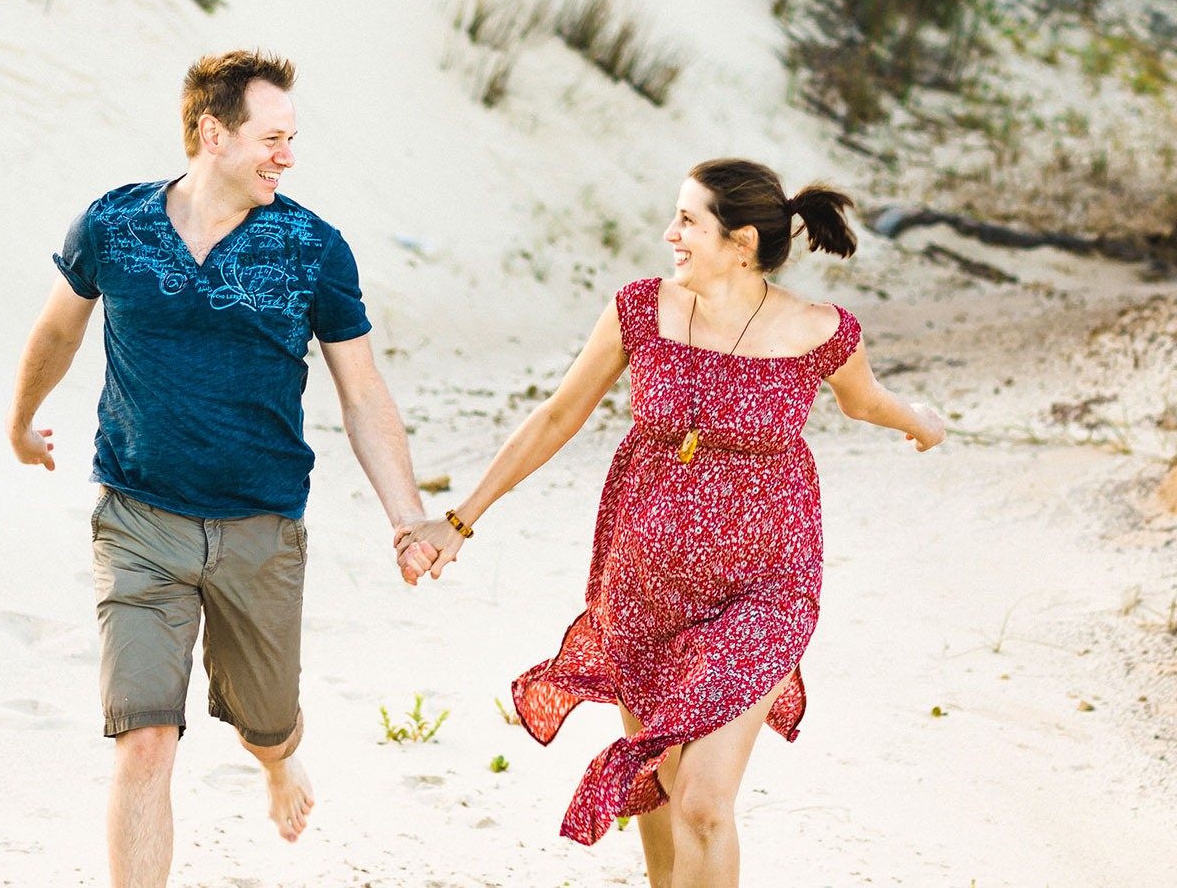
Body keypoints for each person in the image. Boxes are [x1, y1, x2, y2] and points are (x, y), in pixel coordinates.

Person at [395, 158, 945, 887]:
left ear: (741, 240)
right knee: (658, 796)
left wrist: (922, 421)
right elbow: (558, 414)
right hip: (644, 592)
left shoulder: (819, 331)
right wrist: (458, 521)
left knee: (705, 802)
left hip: (765, 590)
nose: (669, 233)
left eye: (688, 220)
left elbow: (866, 400)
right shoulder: (639, 309)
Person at [6, 50, 429, 888]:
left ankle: (277, 761)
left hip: (259, 527)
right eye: (272, 136)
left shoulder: (313, 247)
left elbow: (363, 390)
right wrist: (21, 422)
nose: (288, 155)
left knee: (265, 722)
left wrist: (407, 514)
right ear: (213, 132)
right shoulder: (112, 224)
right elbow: (58, 331)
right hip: (137, 519)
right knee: (144, 739)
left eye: (292, 138)